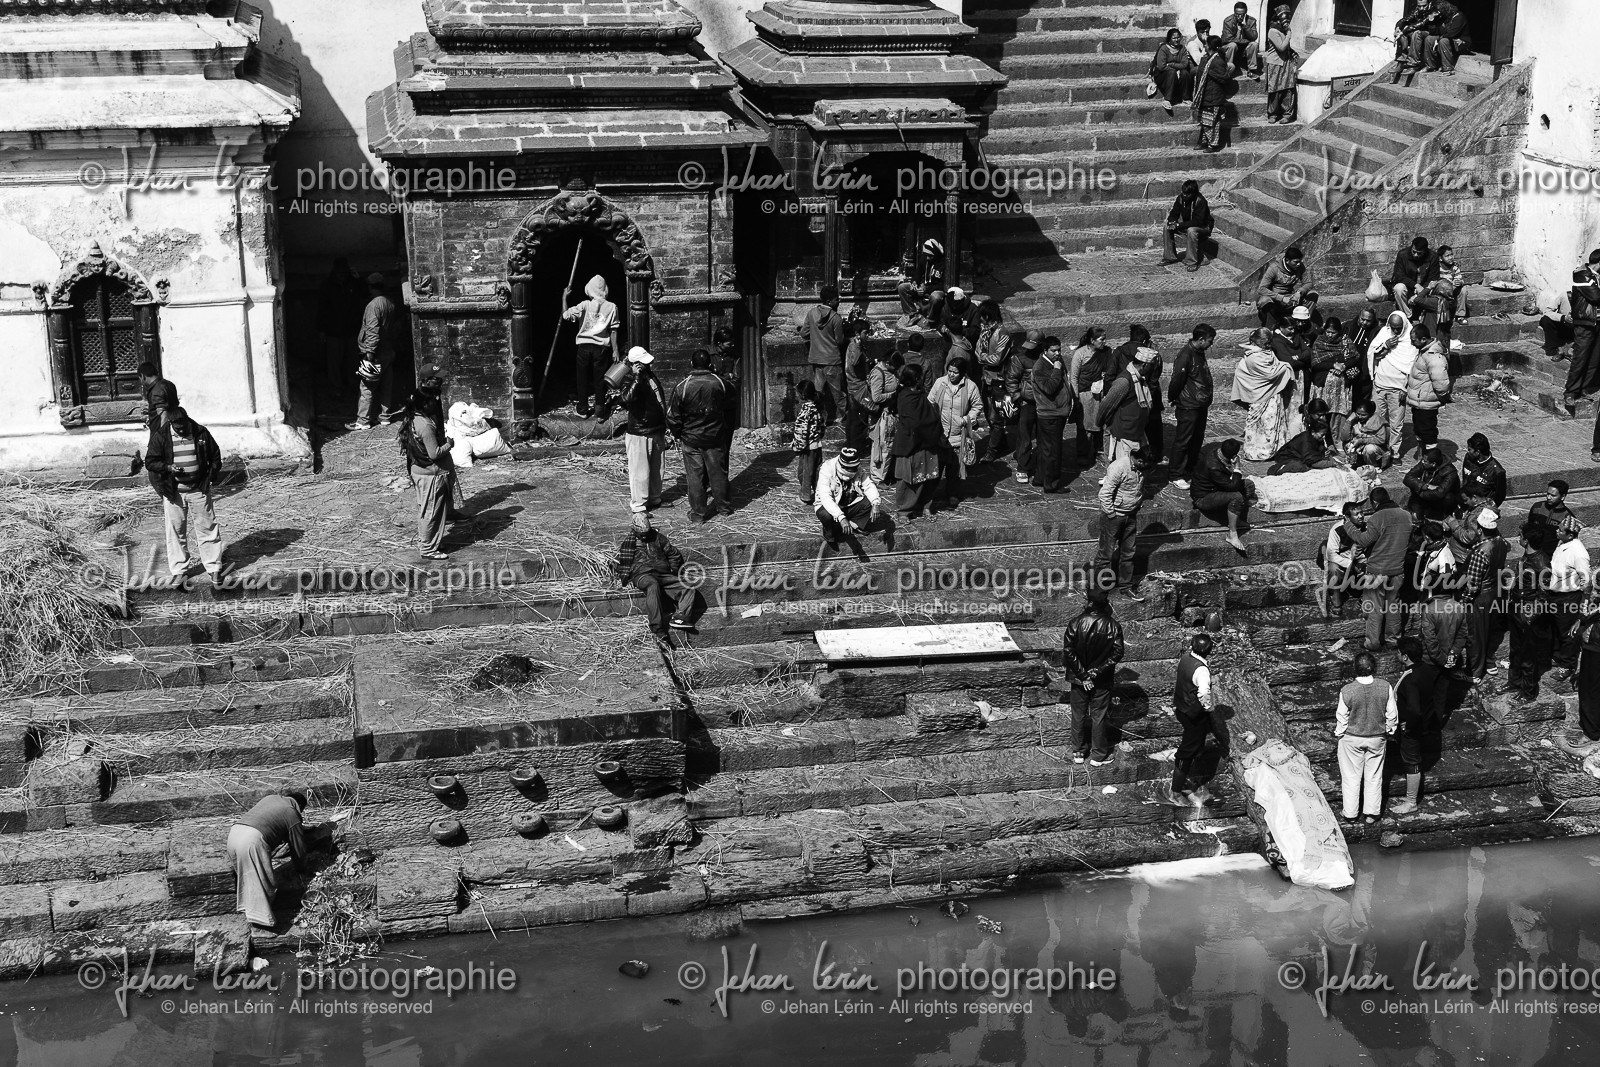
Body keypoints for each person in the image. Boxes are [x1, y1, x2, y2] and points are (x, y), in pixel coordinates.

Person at [144, 405, 226, 580]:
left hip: (199, 489)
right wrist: (168, 467)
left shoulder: (201, 432)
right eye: (177, 427)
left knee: (208, 528)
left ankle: (213, 567)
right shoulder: (161, 436)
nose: (181, 429)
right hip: (174, 492)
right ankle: (179, 571)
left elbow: (216, 456)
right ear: (171, 423)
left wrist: (210, 477)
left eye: (183, 426)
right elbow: (150, 462)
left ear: (188, 420)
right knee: (175, 532)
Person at [1061, 587, 1126, 767]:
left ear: (1088, 603)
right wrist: (1096, 672)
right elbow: (1118, 653)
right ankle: (1098, 756)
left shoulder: (1075, 623)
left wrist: (1083, 676)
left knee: (1078, 715)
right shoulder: (1113, 625)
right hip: (1101, 679)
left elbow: (1069, 652)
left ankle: (1079, 752)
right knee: (1099, 716)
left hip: (1079, 679)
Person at [397, 366, 456, 561]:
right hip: (429, 474)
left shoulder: (415, 418)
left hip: (423, 471)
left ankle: (432, 543)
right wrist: (449, 444)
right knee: (430, 512)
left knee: (429, 509)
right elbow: (434, 453)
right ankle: (428, 549)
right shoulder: (426, 426)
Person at [667, 349, 732, 525]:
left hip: (691, 438)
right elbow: (730, 404)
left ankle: (698, 515)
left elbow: (673, 417)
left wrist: (679, 433)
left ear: (691, 364)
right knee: (718, 474)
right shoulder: (720, 383)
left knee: (695, 477)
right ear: (710, 365)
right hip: (715, 436)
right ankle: (723, 508)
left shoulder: (683, 386)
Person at [228, 790, 309, 930]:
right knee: (263, 882)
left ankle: (251, 914)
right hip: (252, 840)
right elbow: (298, 846)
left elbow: (270, 822)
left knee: (248, 878)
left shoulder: (271, 798)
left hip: (234, 834)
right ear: (299, 806)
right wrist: (301, 868)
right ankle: (264, 922)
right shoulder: (292, 811)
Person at [1334, 651, 1398, 825]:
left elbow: (1342, 716)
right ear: (1374, 668)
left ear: (1355, 668)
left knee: (1350, 776)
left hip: (1352, 738)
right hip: (1377, 737)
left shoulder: (1347, 690)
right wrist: (1389, 730)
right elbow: (1392, 715)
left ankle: (1350, 813)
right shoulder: (1385, 686)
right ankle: (1371, 814)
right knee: (1374, 776)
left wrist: (1340, 733)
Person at [1350, 486, 1413, 651]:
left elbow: (1364, 541)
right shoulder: (1406, 516)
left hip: (1377, 571)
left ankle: (1373, 643)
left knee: (1375, 609)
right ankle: (1393, 640)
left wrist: (1349, 527)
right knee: (1394, 607)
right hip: (1398, 570)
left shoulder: (1377, 518)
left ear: (1375, 502)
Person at [614, 512, 696, 635]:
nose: (644, 537)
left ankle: (680, 617)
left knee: (688, 587)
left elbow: (673, 554)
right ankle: (656, 627)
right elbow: (622, 563)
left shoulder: (659, 538)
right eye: (641, 535)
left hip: (663, 575)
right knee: (652, 585)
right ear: (635, 531)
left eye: (646, 534)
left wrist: (673, 569)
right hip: (642, 576)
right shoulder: (628, 543)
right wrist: (627, 574)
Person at [1170, 634, 1227, 803]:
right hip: (1192, 714)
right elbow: (1203, 692)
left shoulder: (1186, 658)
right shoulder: (1202, 671)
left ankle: (1190, 777)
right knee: (1185, 753)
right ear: (1209, 650)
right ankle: (1175, 792)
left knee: (1197, 744)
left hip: (1181, 707)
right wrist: (1208, 707)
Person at [1391, 638, 1444, 816]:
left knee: (1411, 763)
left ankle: (1411, 802)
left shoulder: (1410, 679)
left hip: (1413, 729)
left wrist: (1408, 727)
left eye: (1398, 652)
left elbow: (1414, 709)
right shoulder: (1426, 669)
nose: (1397, 654)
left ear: (1405, 656)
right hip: (1427, 722)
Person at [1231, 328, 1298, 461]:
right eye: (1265, 342)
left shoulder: (1266, 352)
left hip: (1271, 393)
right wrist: (1286, 366)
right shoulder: (1253, 356)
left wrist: (1281, 365)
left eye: (1269, 342)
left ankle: (1270, 451)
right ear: (1257, 340)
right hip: (1259, 394)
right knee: (1260, 423)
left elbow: (1274, 367)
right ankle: (1255, 452)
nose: (1268, 345)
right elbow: (1269, 374)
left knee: (1270, 423)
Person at [890, 365, 946, 523]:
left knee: (929, 475)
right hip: (911, 443)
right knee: (908, 477)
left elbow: (928, 414)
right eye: (920, 376)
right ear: (915, 379)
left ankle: (926, 505)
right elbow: (914, 422)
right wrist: (931, 422)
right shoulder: (905, 396)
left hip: (926, 441)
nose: (923, 378)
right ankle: (904, 511)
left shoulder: (920, 394)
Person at [1507, 522, 1555, 701]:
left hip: (1527, 610)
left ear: (1526, 541)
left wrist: (1530, 616)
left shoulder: (1542, 563)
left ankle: (1528, 691)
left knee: (1528, 654)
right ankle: (1514, 681)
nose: (1519, 538)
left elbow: (1544, 595)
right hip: (1516, 605)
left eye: (1521, 536)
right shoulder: (1527, 556)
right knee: (1515, 649)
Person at [561, 274, 621, 417]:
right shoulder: (612, 307)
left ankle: (582, 409)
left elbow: (566, 316)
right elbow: (614, 329)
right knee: (599, 380)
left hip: (584, 347)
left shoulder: (584, 305)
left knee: (581, 378)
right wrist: (615, 350)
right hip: (600, 349)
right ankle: (600, 410)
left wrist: (564, 298)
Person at [1167, 323, 1216, 490]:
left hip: (1200, 403)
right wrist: (1173, 397)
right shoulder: (1185, 355)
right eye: (1210, 341)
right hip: (1188, 404)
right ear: (1201, 339)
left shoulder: (1199, 352)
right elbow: (1177, 381)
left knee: (1197, 437)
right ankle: (1176, 473)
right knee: (1183, 439)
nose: (1211, 344)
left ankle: (1191, 466)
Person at [1464, 508, 1510, 683]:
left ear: (1480, 530)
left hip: (1481, 596)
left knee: (1476, 634)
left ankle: (1474, 672)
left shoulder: (1481, 552)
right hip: (1495, 592)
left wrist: (1465, 601)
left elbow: (1473, 585)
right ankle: (1489, 663)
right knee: (1490, 629)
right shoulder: (1500, 543)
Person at [1097, 443, 1147, 600]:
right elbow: (1105, 493)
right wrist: (1111, 514)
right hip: (1114, 517)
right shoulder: (1118, 467)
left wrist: (1137, 503)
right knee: (1106, 554)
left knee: (1128, 553)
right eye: (1145, 464)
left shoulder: (1141, 468)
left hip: (1130, 515)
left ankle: (1125, 586)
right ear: (1138, 459)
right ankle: (1101, 588)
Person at [621, 346, 668, 514]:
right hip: (639, 432)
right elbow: (628, 399)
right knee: (639, 472)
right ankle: (639, 505)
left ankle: (654, 498)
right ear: (637, 364)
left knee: (657, 468)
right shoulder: (629, 379)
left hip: (656, 429)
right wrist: (637, 377)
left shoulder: (650, 375)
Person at [1367, 311, 1418, 464]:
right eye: (1393, 328)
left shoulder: (1410, 338)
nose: (1396, 331)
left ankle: (1394, 452)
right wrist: (1386, 345)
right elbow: (1372, 354)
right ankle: (1379, 449)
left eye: (1399, 328)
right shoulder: (1384, 333)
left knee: (1396, 423)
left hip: (1398, 388)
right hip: (1380, 385)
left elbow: (1412, 365)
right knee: (1378, 420)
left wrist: (1404, 388)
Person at [349, 273, 399, 430]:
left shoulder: (373, 305)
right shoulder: (390, 303)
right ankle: (385, 417)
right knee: (386, 384)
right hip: (388, 350)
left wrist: (369, 353)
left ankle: (363, 421)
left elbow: (372, 330)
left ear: (370, 287)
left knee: (367, 386)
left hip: (375, 353)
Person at [928, 355, 984, 492]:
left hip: (958, 435)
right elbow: (930, 401)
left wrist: (966, 419)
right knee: (937, 467)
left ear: (963, 373)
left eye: (955, 372)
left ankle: (952, 493)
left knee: (954, 468)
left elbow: (977, 406)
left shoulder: (970, 387)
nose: (951, 375)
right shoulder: (940, 383)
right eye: (950, 371)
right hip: (940, 433)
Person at [815, 446, 883, 551]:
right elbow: (825, 497)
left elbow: (868, 485)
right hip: (829, 505)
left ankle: (854, 524)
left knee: (869, 502)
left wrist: (876, 503)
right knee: (826, 515)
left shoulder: (858, 468)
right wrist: (841, 517)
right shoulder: (827, 468)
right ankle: (829, 534)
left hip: (849, 502)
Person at [1192, 437, 1255, 552]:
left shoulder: (1217, 452)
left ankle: (1235, 516)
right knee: (1237, 496)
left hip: (1217, 488)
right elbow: (1233, 487)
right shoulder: (1213, 467)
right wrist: (1237, 467)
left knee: (1249, 485)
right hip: (1203, 497)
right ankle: (1232, 533)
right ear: (1234, 456)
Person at [1550, 517, 1593, 679]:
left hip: (1569, 598)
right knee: (1557, 628)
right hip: (1556, 595)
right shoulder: (1562, 544)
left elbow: (1586, 580)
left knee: (1568, 632)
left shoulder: (1579, 553)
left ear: (1570, 535)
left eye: (1560, 530)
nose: (1557, 531)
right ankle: (1558, 656)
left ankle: (1567, 665)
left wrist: (1584, 602)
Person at [315, 258, 363, 402]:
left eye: (344, 272)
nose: (342, 275)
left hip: (352, 329)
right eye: (339, 272)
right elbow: (321, 309)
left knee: (353, 360)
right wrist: (321, 330)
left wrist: (359, 279)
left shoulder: (353, 283)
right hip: (333, 330)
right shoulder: (327, 286)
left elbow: (365, 294)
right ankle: (336, 388)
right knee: (334, 361)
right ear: (335, 271)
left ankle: (354, 385)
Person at [800, 284, 846, 426]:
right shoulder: (835, 318)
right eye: (836, 299)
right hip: (832, 360)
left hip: (817, 360)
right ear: (829, 302)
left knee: (818, 394)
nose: (838, 302)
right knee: (839, 395)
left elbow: (803, 333)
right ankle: (849, 419)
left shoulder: (812, 313)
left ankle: (818, 420)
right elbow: (840, 340)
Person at [1031, 335, 1072, 494]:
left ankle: (1040, 478)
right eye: (1053, 350)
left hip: (1056, 413)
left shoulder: (1057, 362)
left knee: (1044, 449)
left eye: (1059, 350)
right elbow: (1049, 388)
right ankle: (1051, 484)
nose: (1057, 353)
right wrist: (1056, 369)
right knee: (1053, 451)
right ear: (1045, 351)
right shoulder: (1041, 367)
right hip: (1050, 415)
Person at [974, 300, 1013, 463]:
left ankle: (992, 450)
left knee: (996, 417)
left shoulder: (1002, 334)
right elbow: (976, 351)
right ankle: (1001, 442)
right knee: (990, 416)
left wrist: (982, 358)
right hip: (987, 379)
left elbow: (996, 359)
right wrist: (982, 357)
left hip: (999, 381)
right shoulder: (985, 332)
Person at [1403, 324, 1451, 456]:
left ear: (1423, 339)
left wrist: (1442, 397)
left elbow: (1441, 384)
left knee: (1428, 432)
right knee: (1419, 430)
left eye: (1414, 340)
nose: (1412, 343)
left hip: (1426, 404)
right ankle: (1423, 456)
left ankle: (1431, 459)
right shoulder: (1424, 352)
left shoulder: (1434, 357)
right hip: (1419, 402)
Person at [1566, 253, 1600, 423]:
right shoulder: (1582, 274)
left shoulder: (1596, 277)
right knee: (1580, 358)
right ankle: (1571, 392)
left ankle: (1584, 388)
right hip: (1586, 323)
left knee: (1594, 358)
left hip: (1598, 323)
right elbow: (1595, 296)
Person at [1008, 330, 1042, 483]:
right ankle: (1023, 466)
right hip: (1026, 402)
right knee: (1025, 435)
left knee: (1042, 435)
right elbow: (1011, 380)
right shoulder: (1019, 358)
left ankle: (1041, 463)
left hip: (1044, 402)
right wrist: (1017, 396)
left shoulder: (1046, 356)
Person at [1322, 501, 1365, 617]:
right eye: (1356, 514)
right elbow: (1331, 554)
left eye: (1362, 513)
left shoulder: (1365, 528)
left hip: (1358, 562)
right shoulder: (1337, 530)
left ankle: (1365, 598)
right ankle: (1336, 604)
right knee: (1333, 569)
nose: (1361, 516)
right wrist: (1350, 564)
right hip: (1342, 563)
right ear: (1347, 517)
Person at [1192, 36, 1234, 152]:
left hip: (1213, 97)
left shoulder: (1218, 60)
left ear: (1210, 46)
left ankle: (1213, 145)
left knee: (1212, 123)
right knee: (1204, 122)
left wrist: (1210, 72)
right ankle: (1203, 142)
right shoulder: (1205, 59)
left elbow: (1224, 78)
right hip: (1204, 96)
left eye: (1206, 44)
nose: (1204, 46)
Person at [1162, 180, 1214, 271]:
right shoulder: (1180, 198)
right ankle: (1169, 257)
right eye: (1183, 193)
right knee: (1166, 227)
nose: (1185, 196)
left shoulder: (1201, 201)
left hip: (1203, 227)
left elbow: (1198, 222)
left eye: (1187, 194)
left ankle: (1192, 262)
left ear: (1193, 193)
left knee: (1191, 230)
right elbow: (1174, 213)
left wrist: (1178, 225)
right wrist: (1172, 222)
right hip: (1188, 225)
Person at [842, 311, 874, 455]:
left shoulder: (854, 345)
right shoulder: (855, 347)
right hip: (857, 387)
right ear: (857, 334)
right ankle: (856, 447)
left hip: (856, 386)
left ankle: (854, 444)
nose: (867, 336)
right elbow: (855, 362)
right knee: (858, 418)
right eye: (865, 333)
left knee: (854, 418)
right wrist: (860, 347)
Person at [867, 344, 901, 481]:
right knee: (882, 446)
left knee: (888, 445)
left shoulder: (889, 371)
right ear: (888, 363)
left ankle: (885, 474)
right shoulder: (878, 373)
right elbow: (876, 397)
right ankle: (877, 477)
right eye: (895, 367)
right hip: (882, 415)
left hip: (891, 414)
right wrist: (894, 394)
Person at [1402, 443, 1461, 523]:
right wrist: (1424, 485)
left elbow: (1439, 493)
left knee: (1448, 497)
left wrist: (1419, 492)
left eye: (1425, 461)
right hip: (1425, 494)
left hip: (1439, 501)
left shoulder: (1450, 472)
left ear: (1433, 464)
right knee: (1415, 516)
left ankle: (1445, 516)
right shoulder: (1425, 463)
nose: (1422, 462)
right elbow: (1408, 477)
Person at [1411, 0, 1470, 75]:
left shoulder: (1459, 17)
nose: (1438, 14)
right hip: (1447, 38)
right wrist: (1431, 21)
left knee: (1443, 41)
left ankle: (1448, 68)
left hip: (1461, 42)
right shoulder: (1445, 17)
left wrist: (1438, 40)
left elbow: (1452, 33)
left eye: (1439, 12)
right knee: (1429, 38)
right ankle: (1430, 65)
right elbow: (1436, 31)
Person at [1256, 248, 1310, 328]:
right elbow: (1261, 289)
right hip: (1274, 299)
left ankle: (1301, 323)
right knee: (1264, 300)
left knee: (1313, 295)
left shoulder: (1300, 266)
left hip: (1290, 296)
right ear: (1287, 260)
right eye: (1296, 262)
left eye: (1300, 261)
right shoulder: (1274, 269)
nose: (1299, 264)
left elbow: (1308, 283)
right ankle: (1271, 327)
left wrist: (1299, 292)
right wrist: (1281, 298)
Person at [1262, 5, 1298, 124]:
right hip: (1275, 64)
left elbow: (1286, 47)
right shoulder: (1273, 31)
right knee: (1275, 90)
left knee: (1288, 89)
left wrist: (1292, 52)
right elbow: (1281, 47)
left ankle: (1287, 114)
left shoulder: (1282, 31)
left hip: (1286, 63)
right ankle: (1272, 114)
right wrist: (1289, 34)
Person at [791, 379, 825, 506]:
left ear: (802, 395)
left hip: (808, 447)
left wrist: (798, 447)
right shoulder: (818, 406)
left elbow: (801, 431)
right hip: (817, 444)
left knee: (805, 473)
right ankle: (819, 494)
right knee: (816, 471)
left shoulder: (805, 411)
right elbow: (822, 425)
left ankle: (805, 497)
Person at [1386, 237, 1437, 319]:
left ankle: (1424, 316)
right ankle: (1407, 316)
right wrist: (1415, 285)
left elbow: (1433, 278)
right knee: (1398, 288)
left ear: (1425, 251)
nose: (1416, 255)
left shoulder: (1433, 257)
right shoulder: (1403, 254)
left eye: (1419, 253)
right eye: (1414, 252)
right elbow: (1399, 275)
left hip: (1424, 288)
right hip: (1408, 287)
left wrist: (1420, 293)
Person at [1150, 29, 1195, 114]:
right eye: (1174, 38)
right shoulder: (1164, 49)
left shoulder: (1182, 49)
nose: (1177, 40)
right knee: (1171, 73)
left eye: (1178, 37)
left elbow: (1184, 64)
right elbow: (1161, 66)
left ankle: (1186, 97)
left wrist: (1171, 65)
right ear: (1169, 39)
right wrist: (1175, 69)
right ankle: (1167, 99)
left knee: (1185, 72)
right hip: (1162, 75)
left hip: (1175, 72)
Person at [897, 237, 945, 317]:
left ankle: (930, 320)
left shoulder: (944, 263)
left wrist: (926, 289)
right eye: (926, 255)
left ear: (936, 254)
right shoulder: (925, 258)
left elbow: (944, 285)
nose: (928, 258)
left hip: (937, 289)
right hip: (924, 286)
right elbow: (917, 273)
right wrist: (914, 282)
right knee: (902, 287)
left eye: (930, 256)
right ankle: (911, 314)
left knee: (935, 297)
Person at [1345, 308, 1382, 410]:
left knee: (1361, 403)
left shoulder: (1377, 332)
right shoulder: (1348, 326)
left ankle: (1360, 423)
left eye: (1368, 320)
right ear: (1359, 316)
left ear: (1373, 320)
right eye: (1363, 319)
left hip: (1364, 372)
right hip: (1345, 369)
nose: (1364, 322)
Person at [1460, 433, 1507, 510]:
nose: (1468, 452)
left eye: (1470, 449)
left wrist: (1488, 510)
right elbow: (1465, 479)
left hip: (1481, 508)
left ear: (1478, 452)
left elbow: (1500, 496)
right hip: (1466, 502)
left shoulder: (1497, 471)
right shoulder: (1468, 458)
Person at [1221, 2, 1261, 77]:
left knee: (1254, 44)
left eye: (1242, 15)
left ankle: (1252, 70)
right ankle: (1227, 69)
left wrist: (1245, 26)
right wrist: (1245, 41)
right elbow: (1227, 39)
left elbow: (1254, 37)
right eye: (1237, 14)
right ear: (1234, 12)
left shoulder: (1251, 21)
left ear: (1245, 13)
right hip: (1231, 49)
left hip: (1244, 49)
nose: (1239, 17)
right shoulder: (1228, 21)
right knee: (1232, 45)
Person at [137, 361, 179, 432]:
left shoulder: (156, 390)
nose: (141, 382)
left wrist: (161, 435)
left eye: (140, 379)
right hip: (175, 427)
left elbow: (164, 414)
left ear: (143, 376)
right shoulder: (169, 384)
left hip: (160, 432)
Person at [1538, 282, 1575, 362]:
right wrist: (1563, 317)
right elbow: (1547, 311)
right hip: (1565, 326)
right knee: (1545, 320)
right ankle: (1558, 349)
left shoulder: (1591, 301)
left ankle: (1572, 350)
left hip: (1580, 331)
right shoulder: (1565, 296)